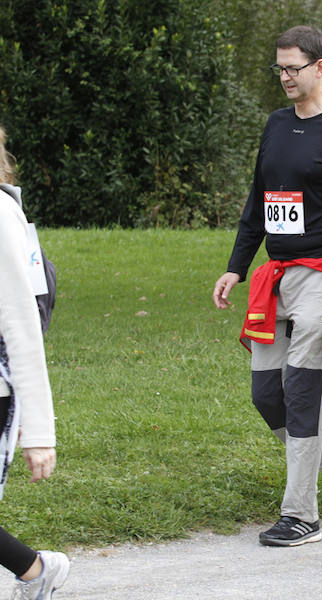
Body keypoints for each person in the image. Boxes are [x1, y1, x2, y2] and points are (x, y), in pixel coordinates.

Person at [212, 26, 322, 547]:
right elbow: (259, 202)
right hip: (276, 278)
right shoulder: (277, 124)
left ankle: (300, 516)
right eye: (279, 69)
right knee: (268, 395)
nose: (284, 77)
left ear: (320, 67)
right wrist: (237, 266)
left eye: (293, 68)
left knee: (301, 391)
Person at [0, 126, 69, 599]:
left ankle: (38, 571)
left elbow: (21, 325)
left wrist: (39, 431)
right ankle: (36, 571)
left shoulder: (2, 213)